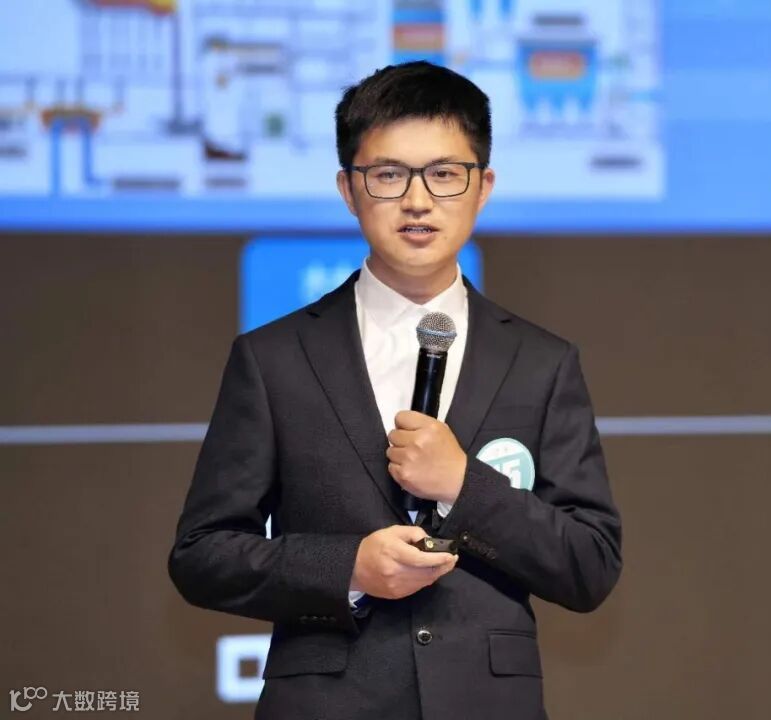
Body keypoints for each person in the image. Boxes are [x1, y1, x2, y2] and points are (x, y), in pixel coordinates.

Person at [167, 61, 622, 720]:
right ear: (349, 190)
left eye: (445, 174)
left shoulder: (540, 362)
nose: (417, 200)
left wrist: (465, 486)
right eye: (388, 175)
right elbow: (202, 554)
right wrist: (347, 568)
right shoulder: (274, 358)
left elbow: (590, 564)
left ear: (483, 186)